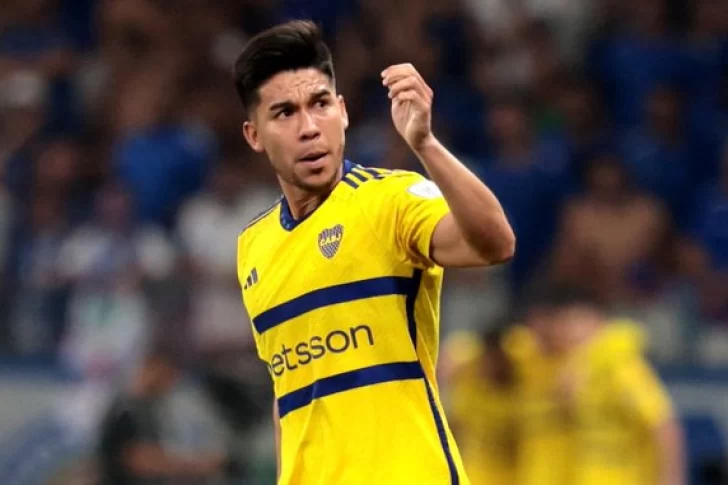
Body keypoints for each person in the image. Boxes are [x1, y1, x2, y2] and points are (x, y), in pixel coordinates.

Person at [233, 20, 515, 485]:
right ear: (254, 135)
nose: (309, 128)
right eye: (284, 113)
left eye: (320, 104)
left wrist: (425, 145)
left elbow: (495, 243)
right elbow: (289, 388)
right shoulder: (253, 246)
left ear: (342, 111)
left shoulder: (390, 200)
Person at [97, 347, 226, 484]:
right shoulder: (127, 409)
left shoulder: (173, 406)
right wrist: (190, 464)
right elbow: (136, 460)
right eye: (158, 371)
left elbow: (218, 455)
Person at [447, 324, 517, 485]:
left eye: (497, 358)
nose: (492, 364)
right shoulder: (469, 390)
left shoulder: (520, 388)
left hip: (515, 475)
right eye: (488, 358)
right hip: (477, 473)